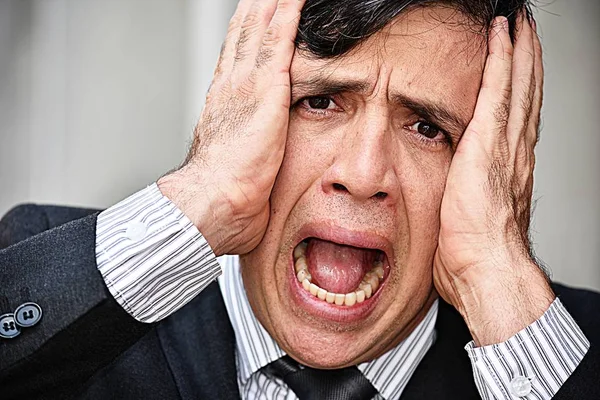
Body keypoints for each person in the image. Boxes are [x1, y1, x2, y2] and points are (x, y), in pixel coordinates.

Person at [1, 0, 598, 398]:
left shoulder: (572, 355)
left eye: (427, 127)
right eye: (320, 101)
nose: (364, 175)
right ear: (238, 103)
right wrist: (208, 194)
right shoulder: (53, 282)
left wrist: (498, 275)